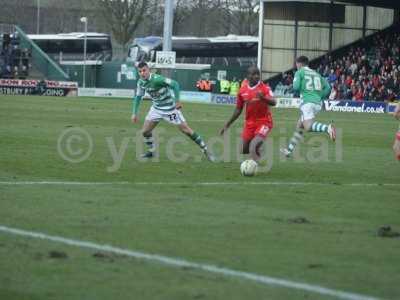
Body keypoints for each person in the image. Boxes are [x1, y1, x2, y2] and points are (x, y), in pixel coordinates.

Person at [131, 62, 214, 161]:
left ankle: (205, 149)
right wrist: (134, 113)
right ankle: (152, 151)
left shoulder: (158, 79)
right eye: (140, 71)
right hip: (156, 109)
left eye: (144, 70)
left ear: (149, 70)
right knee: (145, 132)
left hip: (170, 110)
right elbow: (138, 97)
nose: (142, 73)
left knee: (186, 130)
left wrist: (177, 101)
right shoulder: (141, 82)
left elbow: (175, 84)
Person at [281, 56, 336, 157]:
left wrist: (297, 87)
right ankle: (289, 150)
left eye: (296, 64)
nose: (296, 67)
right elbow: (328, 88)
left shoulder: (300, 72)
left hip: (307, 102)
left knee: (308, 126)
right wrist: (319, 96)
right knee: (300, 126)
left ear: (300, 64)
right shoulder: (316, 74)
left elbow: (296, 87)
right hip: (317, 102)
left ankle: (328, 128)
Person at [220, 66, 276, 161]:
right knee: (243, 149)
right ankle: (258, 149)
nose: (257, 76)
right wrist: (227, 124)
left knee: (253, 146)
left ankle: (253, 165)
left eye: (258, 74)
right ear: (248, 76)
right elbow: (238, 109)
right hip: (250, 123)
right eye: (254, 74)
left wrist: (263, 98)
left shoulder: (265, 88)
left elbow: (274, 102)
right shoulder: (242, 91)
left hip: (264, 121)